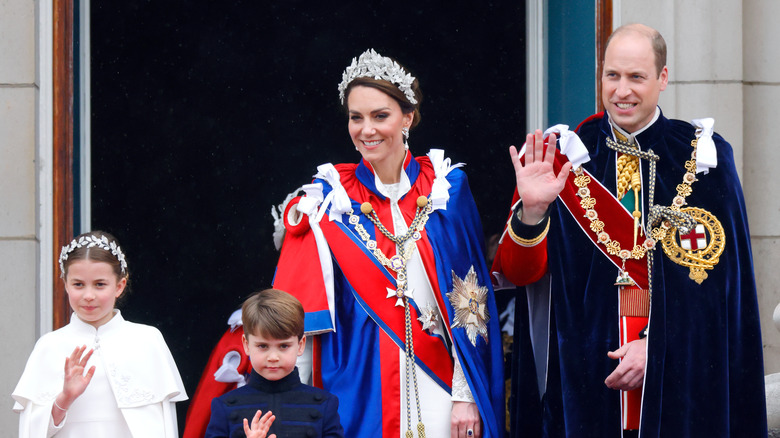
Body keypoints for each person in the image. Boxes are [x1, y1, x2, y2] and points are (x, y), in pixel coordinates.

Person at [186, 48, 505, 438]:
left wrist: (465, 394)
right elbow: (296, 313)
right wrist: (289, 409)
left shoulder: (444, 188)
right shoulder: (328, 199)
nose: (366, 129)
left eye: (380, 116)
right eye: (356, 118)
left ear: (408, 117)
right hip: (357, 384)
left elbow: (471, 301)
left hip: (439, 382)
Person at [492, 24, 767, 437]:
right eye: (612, 76)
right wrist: (532, 211)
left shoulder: (706, 158)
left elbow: (723, 293)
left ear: (662, 78)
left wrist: (657, 346)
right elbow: (519, 275)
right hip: (587, 382)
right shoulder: (561, 157)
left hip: (681, 381)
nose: (622, 91)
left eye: (637, 77)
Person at [12, 231, 187, 438]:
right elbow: (31, 432)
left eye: (100, 284)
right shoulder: (48, 346)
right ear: (65, 284)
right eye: (78, 284)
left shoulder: (148, 340)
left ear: (119, 286)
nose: (88, 296)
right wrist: (65, 398)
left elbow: (164, 425)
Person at [205, 288, 344, 438]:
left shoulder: (325, 405)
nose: (273, 357)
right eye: (263, 346)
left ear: (301, 344)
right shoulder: (224, 406)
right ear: (246, 344)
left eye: (283, 346)